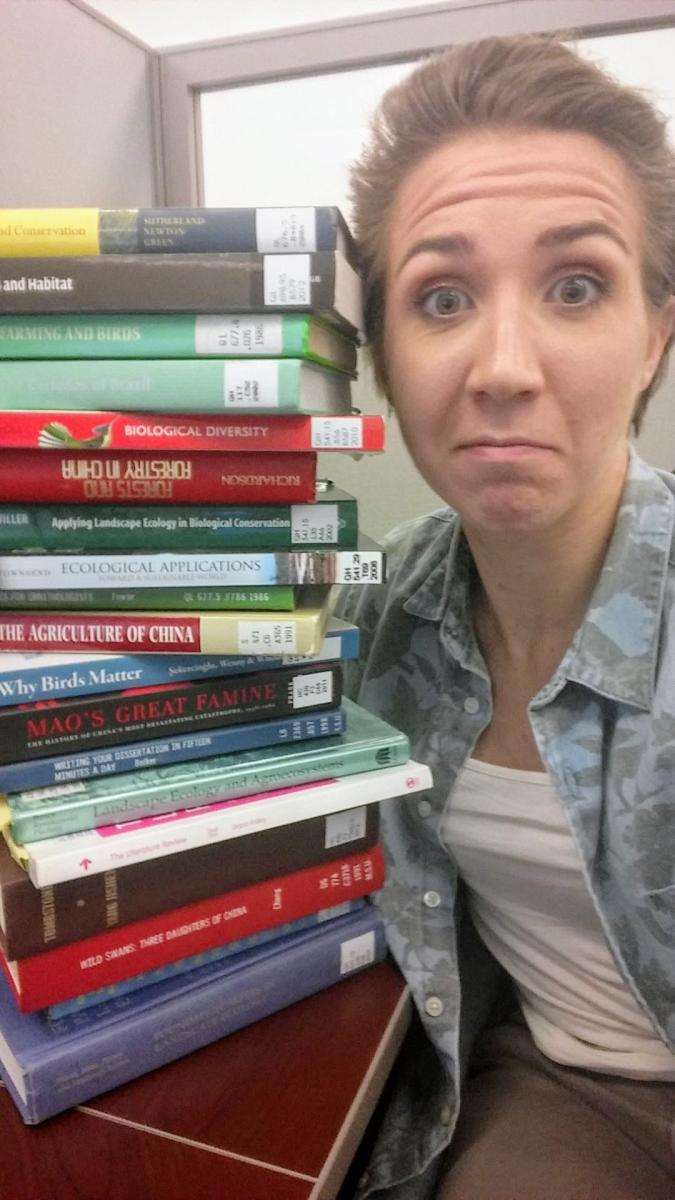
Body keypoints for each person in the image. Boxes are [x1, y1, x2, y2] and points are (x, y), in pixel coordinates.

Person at [335, 32, 675, 1200]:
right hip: (561, 1091)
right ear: (384, 354)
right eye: (442, 297)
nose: (503, 366)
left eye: (575, 285)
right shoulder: (374, 614)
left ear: (656, 337)